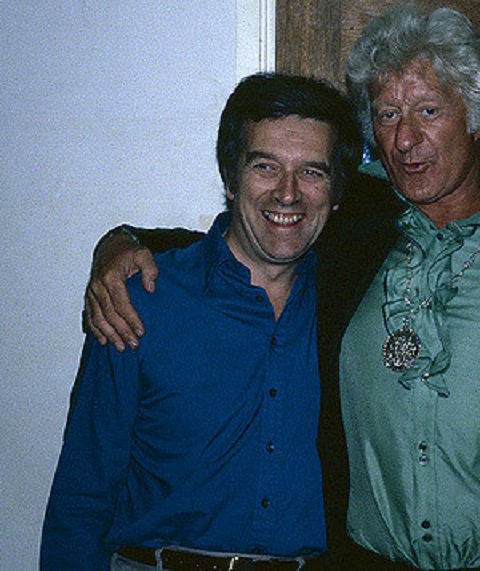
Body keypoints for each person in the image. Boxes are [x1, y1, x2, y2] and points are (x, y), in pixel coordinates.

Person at [82, 4, 480, 570]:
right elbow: (253, 231)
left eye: (428, 111)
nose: (405, 139)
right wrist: (121, 243)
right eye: (387, 115)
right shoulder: (351, 227)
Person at [41, 72, 362, 570]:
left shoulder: (353, 303)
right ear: (230, 178)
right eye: (265, 166)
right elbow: (83, 494)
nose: (287, 193)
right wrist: (118, 241)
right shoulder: (141, 300)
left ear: (337, 191)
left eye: (312, 172)